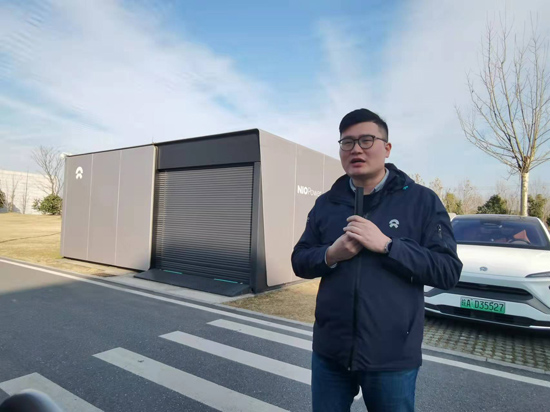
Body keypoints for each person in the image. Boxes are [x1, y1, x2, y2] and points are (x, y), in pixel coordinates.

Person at [291, 109, 463, 412]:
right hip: (330, 352)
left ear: (387, 148)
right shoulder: (327, 203)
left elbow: (447, 270)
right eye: (347, 142)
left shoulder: (421, 201)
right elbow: (299, 260)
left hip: (392, 357)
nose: (356, 149)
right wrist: (331, 254)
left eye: (366, 140)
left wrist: (388, 246)